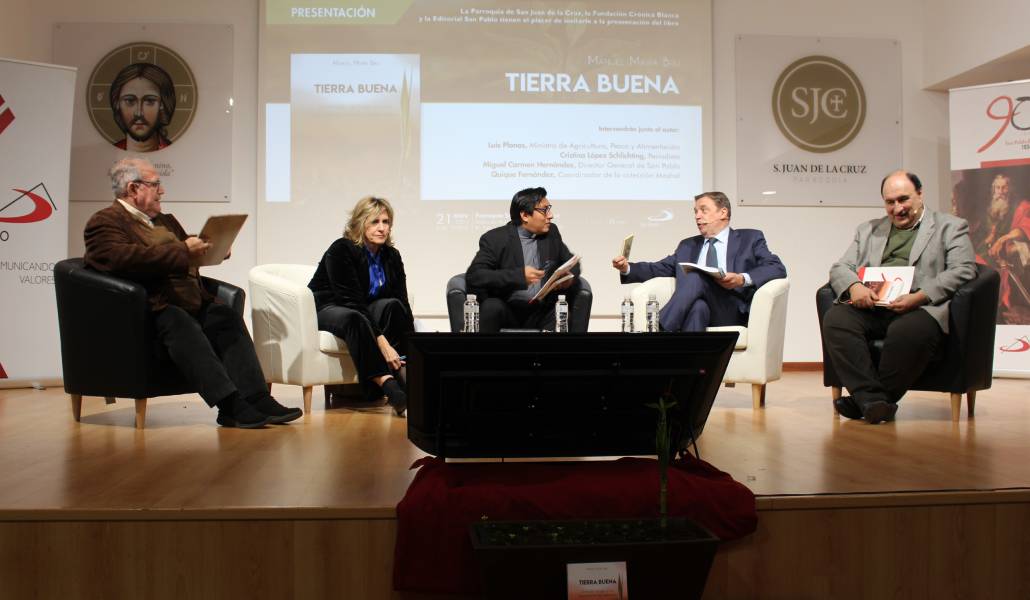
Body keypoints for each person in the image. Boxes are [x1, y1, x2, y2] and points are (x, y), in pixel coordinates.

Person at [84, 157, 302, 428]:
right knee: (180, 323)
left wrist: (213, 249)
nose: (161, 191)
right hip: (148, 308)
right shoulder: (105, 222)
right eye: (156, 185)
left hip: (186, 298)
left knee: (225, 318)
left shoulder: (165, 220)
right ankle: (230, 405)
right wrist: (185, 250)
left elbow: (184, 254)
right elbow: (122, 259)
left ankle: (257, 398)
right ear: (133, 189)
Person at [822, 170, 976, 424]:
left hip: (920, 307)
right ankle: (873, 401)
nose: (897, 208)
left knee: (907, 331)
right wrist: (855, 287)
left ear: (920, 194)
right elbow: (840, 267)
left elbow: (964, 269)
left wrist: (922, 295)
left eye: (903, 199)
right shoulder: (868, 230)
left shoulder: (950, 226)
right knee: (836, 319)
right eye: (889, 202)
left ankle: (865, 401)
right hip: (875, 305)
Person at [611, 191, 786, 332]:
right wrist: (627, 267)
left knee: (695, 277)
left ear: (723, 212)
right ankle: (692, 372)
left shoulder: (750, 238)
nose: (698, 216)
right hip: (698, 309)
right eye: (695, 211)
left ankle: (660, 330)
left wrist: (741, 278)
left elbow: (776, 267)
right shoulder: (688, 246)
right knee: (698, 308)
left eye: (704, 210)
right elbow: (660, 268)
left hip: (731, 309)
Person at [308, 196, 414, 417]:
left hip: (361, 307)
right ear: (360, 223)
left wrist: (413, 349)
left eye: (386, 222)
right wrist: (383, 342)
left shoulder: (391, 256)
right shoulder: (341, 249)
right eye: (374, 222)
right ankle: (387, 384)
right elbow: (351, 302)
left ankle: (409, 379)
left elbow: (402, 303)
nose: (382, 228)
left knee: (394, 307)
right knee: (354, 318)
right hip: (328, 307)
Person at [465, 187, 581, 332]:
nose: (550, 215)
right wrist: (519, 276)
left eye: (549, 209)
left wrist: (568, 278)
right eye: (544, 210)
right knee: (491, 306)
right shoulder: (496, 239)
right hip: (508, 309)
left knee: (561, 314)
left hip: (541, 310)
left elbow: (572, 263)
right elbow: (475, 275)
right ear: (525, 215)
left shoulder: (551, 233)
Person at [109, 63, 176, 152]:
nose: (139, 113)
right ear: (117, 104)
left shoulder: (177, 153)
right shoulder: (107, 153)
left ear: (162, 104)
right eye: (130, 101)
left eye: (149, 101)